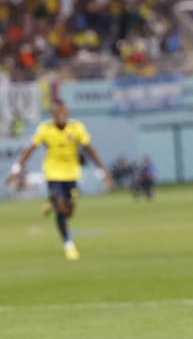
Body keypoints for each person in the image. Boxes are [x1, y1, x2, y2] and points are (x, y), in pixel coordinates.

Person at [4, 100, 112, 260]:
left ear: (67, 113)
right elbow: (29, 150)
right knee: (61, 209)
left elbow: (90, 150)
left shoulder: (76, 128)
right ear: (53, 115)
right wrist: (15, 170)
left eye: (64, 113)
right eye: (58, 113)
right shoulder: (45, 129)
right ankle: (68, 244)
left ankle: (52, 203)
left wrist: (103, 172)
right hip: (53, 173)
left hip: (72, 174)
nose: (62, 116)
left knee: (69, 212)